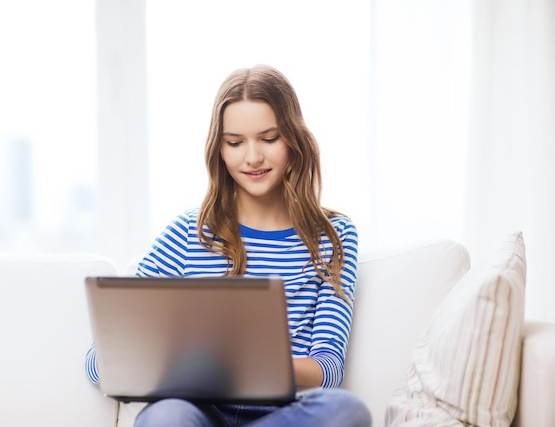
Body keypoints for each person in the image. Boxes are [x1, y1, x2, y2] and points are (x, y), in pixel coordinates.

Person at [85, 64, 371, 427]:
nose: (252, 157)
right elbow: (99, 361)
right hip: (195, 412)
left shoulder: (335, 236)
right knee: (166, 417)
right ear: (219, 149)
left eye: (269, 138)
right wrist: (181, 362)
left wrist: (243, 361)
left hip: (282, 415)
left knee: (346, 410)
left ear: (294, 140)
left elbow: (328, 369)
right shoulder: (186, 234)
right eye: (235, 143)